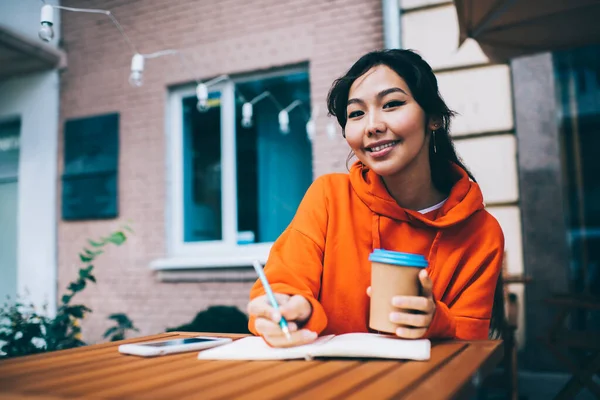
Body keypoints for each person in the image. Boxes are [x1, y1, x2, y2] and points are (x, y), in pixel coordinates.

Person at [247, 49, 505, 348]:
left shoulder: (482, 233)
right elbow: (285, 284)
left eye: (392, 104)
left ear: (434, 118)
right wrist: (287, 310)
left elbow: (471, 353)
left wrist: (436, 321)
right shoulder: (328, 197)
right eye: (356, 113)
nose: (372, 125)